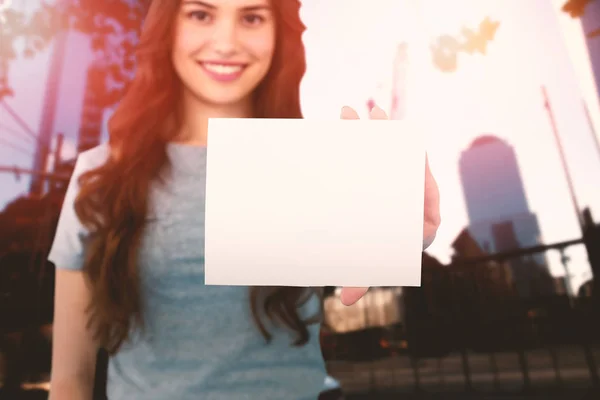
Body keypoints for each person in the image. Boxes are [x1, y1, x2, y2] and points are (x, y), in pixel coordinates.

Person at [48, 0, 441, 399]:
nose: (225, 42)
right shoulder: (100, 177)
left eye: (251, 17)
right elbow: (70, 380)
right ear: (168, 27)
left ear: (277, 34)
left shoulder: (311, 166)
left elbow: (363, 263)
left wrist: (400, 233)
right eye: (201, 15)